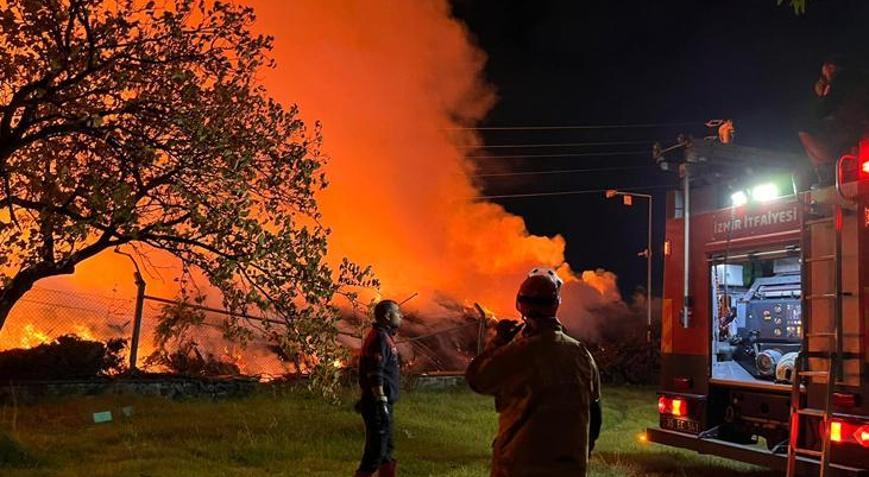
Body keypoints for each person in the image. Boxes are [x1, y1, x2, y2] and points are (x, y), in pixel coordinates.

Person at [466, 268, 602, 477]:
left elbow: (477, 379)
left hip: (518, 467)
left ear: (520, 305)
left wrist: (497, 343)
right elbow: (595, 414)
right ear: (556, 305)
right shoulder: (581, 354)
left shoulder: (515, 354)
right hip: (568, 469)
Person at [355, 299, 403, 477]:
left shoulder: (385, 336)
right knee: (375, 452)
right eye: (398, 313)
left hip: (383, 403)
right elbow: (375, 373)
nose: (401, 316)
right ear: (387, 316)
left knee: (386, 450)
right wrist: (380, 399)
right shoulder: (379, 338)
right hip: (377, 404)